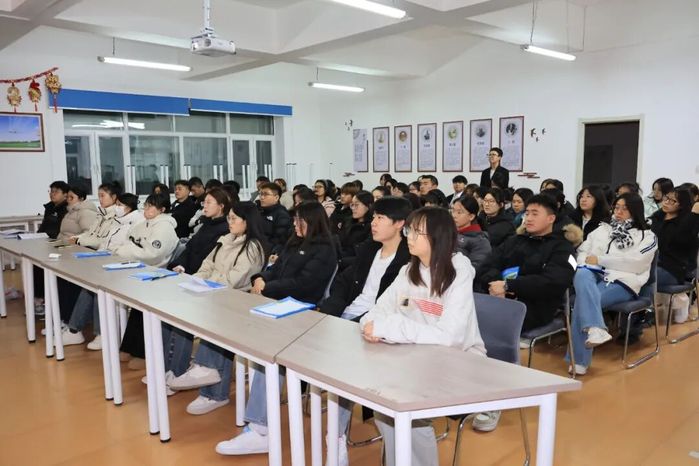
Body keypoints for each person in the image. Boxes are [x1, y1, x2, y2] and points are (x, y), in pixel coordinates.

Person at [360, 207, 486, 466]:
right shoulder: (409, 270)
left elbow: (450, 337)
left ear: (438, 237)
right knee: (379, 400)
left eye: (418, 232)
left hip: (460, 362)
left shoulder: (458, 272)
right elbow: (375, 312)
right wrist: (374, 326)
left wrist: (390, 328)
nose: (409, 236)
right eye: (409, 230)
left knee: (401, 407)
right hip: (416, 357)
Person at [216, 201, 338, 457]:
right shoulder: (294, 242)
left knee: (268, 354)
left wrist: (267, 287)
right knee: (233, 327)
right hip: (277, 304)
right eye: (294, 220)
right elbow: (276, 269)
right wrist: (260, 279)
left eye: (299, 221)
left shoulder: (325, 249)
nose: (295, 225)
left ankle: (260, 430)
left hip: (303, 312)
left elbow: (305, 284)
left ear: (312, 221)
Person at [318, 196, 413, 464]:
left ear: (399, 224)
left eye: (380, 218)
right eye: (373, 217)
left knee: (343, 368)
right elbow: (343, 282)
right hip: (347, 317)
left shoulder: (408, 259)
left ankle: (336, 437)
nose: (373, 223)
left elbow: (394, 308)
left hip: (374, 328)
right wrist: (330, 311)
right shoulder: (369, 249)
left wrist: (349, 324)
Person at [478, 194, 575, 428]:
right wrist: (495, 284)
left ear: (551, 218)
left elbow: (554, 282)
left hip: (535, 306)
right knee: (463, 321)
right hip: (498, 298)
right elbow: (487, 265)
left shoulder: (563, 248)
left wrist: (509, 286)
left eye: (534, 214)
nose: (528, 218)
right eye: (526, 213)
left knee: (494, 332)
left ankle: (494, 400)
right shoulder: (515, 240)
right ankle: (469, 386)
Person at [164, 202, 269, 413]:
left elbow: (233, 280)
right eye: (228, 218)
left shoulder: (253, 247)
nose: (229, 222)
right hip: (214, 294)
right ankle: (178, 371)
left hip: (238, 301)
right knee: (178, 313)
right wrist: (196, 281)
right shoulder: (224, 240)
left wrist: (208, 283)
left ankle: (211, 387)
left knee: (218, 322)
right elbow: (207, 265)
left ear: (247, 222)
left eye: (234, 218)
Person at [566, 193, 657, 375]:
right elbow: (582, 251)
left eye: (625, 208)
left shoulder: (647, 236)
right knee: (581, 273)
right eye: (617, 207)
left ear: (635, 210)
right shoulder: (603, 229)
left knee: (584, 302)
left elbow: (636, 263)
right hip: (592, 274)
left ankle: (579, 360)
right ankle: (595, 328)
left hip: (622, 280)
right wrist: (586, 262)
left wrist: (600, 260)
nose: (619, 211)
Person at [61, 193, 143, 349]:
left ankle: (102, 333)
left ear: (129, 207)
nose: (117, 208)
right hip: (108, 261)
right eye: (117, 204)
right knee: (88, 284)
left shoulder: (137, 222)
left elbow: (130, 249)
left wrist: (110, 254)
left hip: (125, 265)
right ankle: (74, 331)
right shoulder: (117, 221)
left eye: (119, 205)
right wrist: (101, 254)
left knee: (99, 286)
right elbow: (104, 242)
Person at [117, 193, 180, 368]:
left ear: (162, 209)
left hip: (157, 273)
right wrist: (130, 248)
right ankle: (128, 347)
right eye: (146, 204)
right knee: (135, 307)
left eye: (151, 206)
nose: (146, 208)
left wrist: (130, 249)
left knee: (142, 307)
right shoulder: (143, 223)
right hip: (139, 269)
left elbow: (152, 254)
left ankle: (143, 353)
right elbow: (128, 242)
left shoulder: (165, 227)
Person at [649, 188, 699, 323]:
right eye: (666, 198)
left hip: (673, 269)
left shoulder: (687, 223)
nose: (666, 202)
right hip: (654, 263)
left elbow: (680, 240)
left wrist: (694, 214)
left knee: (644, 278)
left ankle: (644, 313)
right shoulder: (657, 217)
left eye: (673, 201)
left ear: (682, 205)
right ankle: (640, 314)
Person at [169, 187, 231, 274]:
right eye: (204, 202)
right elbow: (190, 248)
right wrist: (180, 265)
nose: (204, 206)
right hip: (187, 272)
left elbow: (208, 258)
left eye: (208, 202)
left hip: (203, 274)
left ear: (221, 206)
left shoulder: (227, 229)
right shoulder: (206, 224)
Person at [452, 195, 491, 273]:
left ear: (471, 216)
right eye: (453, 210)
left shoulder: (481, 241)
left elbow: (473, 270)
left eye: (459, 212)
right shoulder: (449, 232)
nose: (454, 215)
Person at [338, 191, 374, 264]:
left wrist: (340, 261)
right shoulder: (347, 220)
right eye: (352, 205)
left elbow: (362, 253)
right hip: (340, 257)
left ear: (368, 206)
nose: (353, 208)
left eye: (356, 205)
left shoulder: (372, 226)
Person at [256, 182, 292, 254]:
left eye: (266, 194)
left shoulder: (282, 215)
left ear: (276, 198)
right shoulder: (257, 211)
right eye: (260, 194)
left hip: (266, 252)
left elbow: (279, 241)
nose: (262, 197)